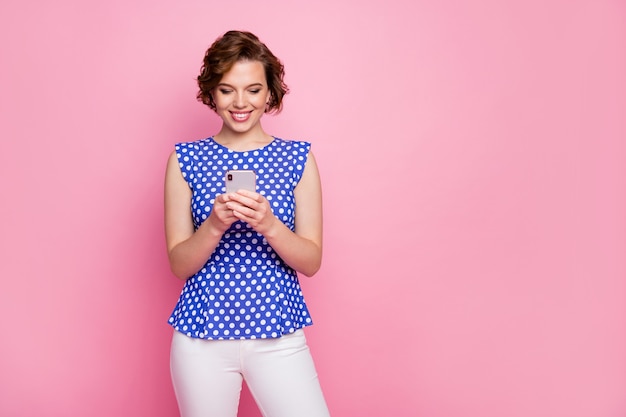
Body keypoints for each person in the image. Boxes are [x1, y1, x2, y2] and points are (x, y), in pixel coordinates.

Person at [164, 30, 331, 417]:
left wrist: (270, 224)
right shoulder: (184, 159)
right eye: (227, 90)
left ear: (270, 93)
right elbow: (179, 264)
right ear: (211, 94)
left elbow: (310, 261)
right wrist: (214, 225)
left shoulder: (298, 159)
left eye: (253, 89)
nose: (240, 103)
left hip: (279, 334)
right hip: (200, 336)